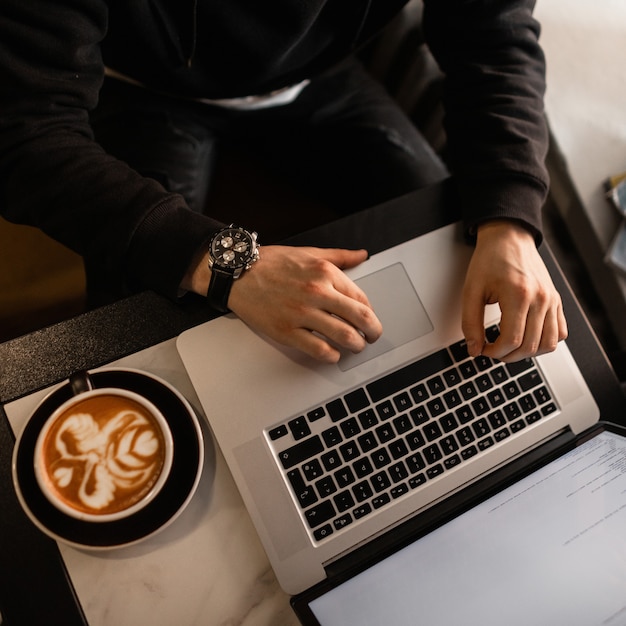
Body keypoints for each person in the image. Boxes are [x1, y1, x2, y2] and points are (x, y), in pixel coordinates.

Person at [0, 0, 566, 364]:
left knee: (449, 249)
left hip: (319, 77)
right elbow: (25, 136)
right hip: (143, 87)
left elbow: (495, 38)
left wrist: (510, 221)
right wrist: (227, 264)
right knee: (134, 335)